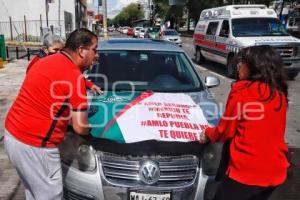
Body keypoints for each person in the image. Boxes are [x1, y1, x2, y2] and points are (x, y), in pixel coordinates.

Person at [4, 28, 98, 200]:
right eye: (95, 49)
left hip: (13, 135)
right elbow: (80, 127)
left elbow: (47, 98)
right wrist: (92, 129)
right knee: (50, 195)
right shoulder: (74, 76)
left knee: (34, 192)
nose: (96, 55)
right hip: (36, 147)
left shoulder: (48, 60)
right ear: (82, 50)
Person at [202, 45, 289, 200]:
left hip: (247, 173)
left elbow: (224, 132)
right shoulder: (278, 93)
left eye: (241, 62)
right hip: (276, 172)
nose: (238, 66)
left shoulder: (242, 91)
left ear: (254, 67)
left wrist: (207, 133)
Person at [27, 33, 102, 94]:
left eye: (61, 50)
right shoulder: (37, 64)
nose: (59, 53)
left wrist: (89, 84)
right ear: (46, 50)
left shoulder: (57, 61)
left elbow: (70, 75)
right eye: (55, 50)